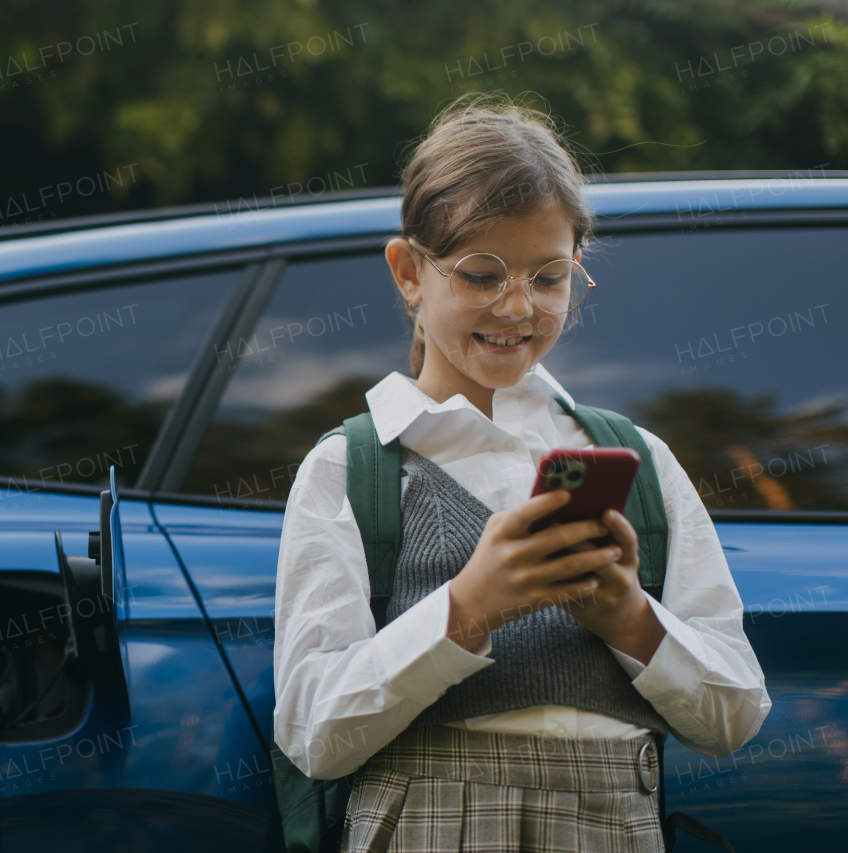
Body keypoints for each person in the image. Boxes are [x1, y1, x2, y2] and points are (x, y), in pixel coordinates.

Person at [272, 94, 771, 853]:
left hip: (613, 823)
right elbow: (314, 735)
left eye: (547, 277)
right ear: (409, 272)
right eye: (481, 274)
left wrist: (629, 617)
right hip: (426, 824)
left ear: (577, 271)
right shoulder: (350, 468)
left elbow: (735, 718)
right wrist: (468, 608)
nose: (516, 305)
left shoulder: (640, 461)